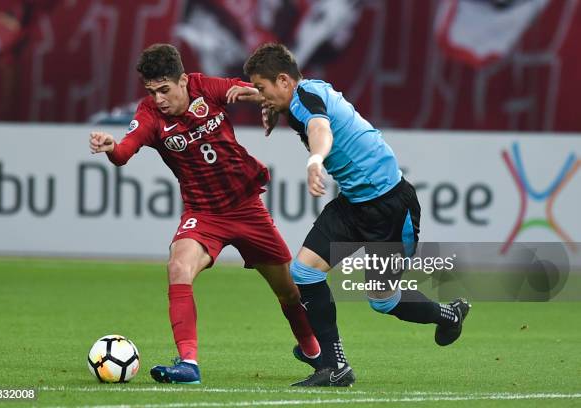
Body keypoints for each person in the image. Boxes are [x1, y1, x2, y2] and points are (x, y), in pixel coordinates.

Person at [89, 43, 320, 385]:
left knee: (288, 291)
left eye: (165, 90)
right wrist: (110, 148)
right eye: (152, 92)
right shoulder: (150, 116)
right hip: (204, 213)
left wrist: (274, 104)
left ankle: (313, 350)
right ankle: (188, 363)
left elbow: (245, 92)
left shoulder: (203, 87)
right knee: (178, 266)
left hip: (247, 208)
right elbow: (124, 152)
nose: (159, 99)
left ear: (183, 81)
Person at [243, 43, 471, 387]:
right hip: (354, 205)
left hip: (390, 209)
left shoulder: (306, 100)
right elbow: (305, 114)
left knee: (383, 301)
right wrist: (259, 100)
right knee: (304, 272)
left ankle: (449, 314)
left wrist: (315, 160)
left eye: (262, 88)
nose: (261, 96)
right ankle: (335, 366)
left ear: (284, 81)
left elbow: (321, 129)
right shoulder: (301, 96)